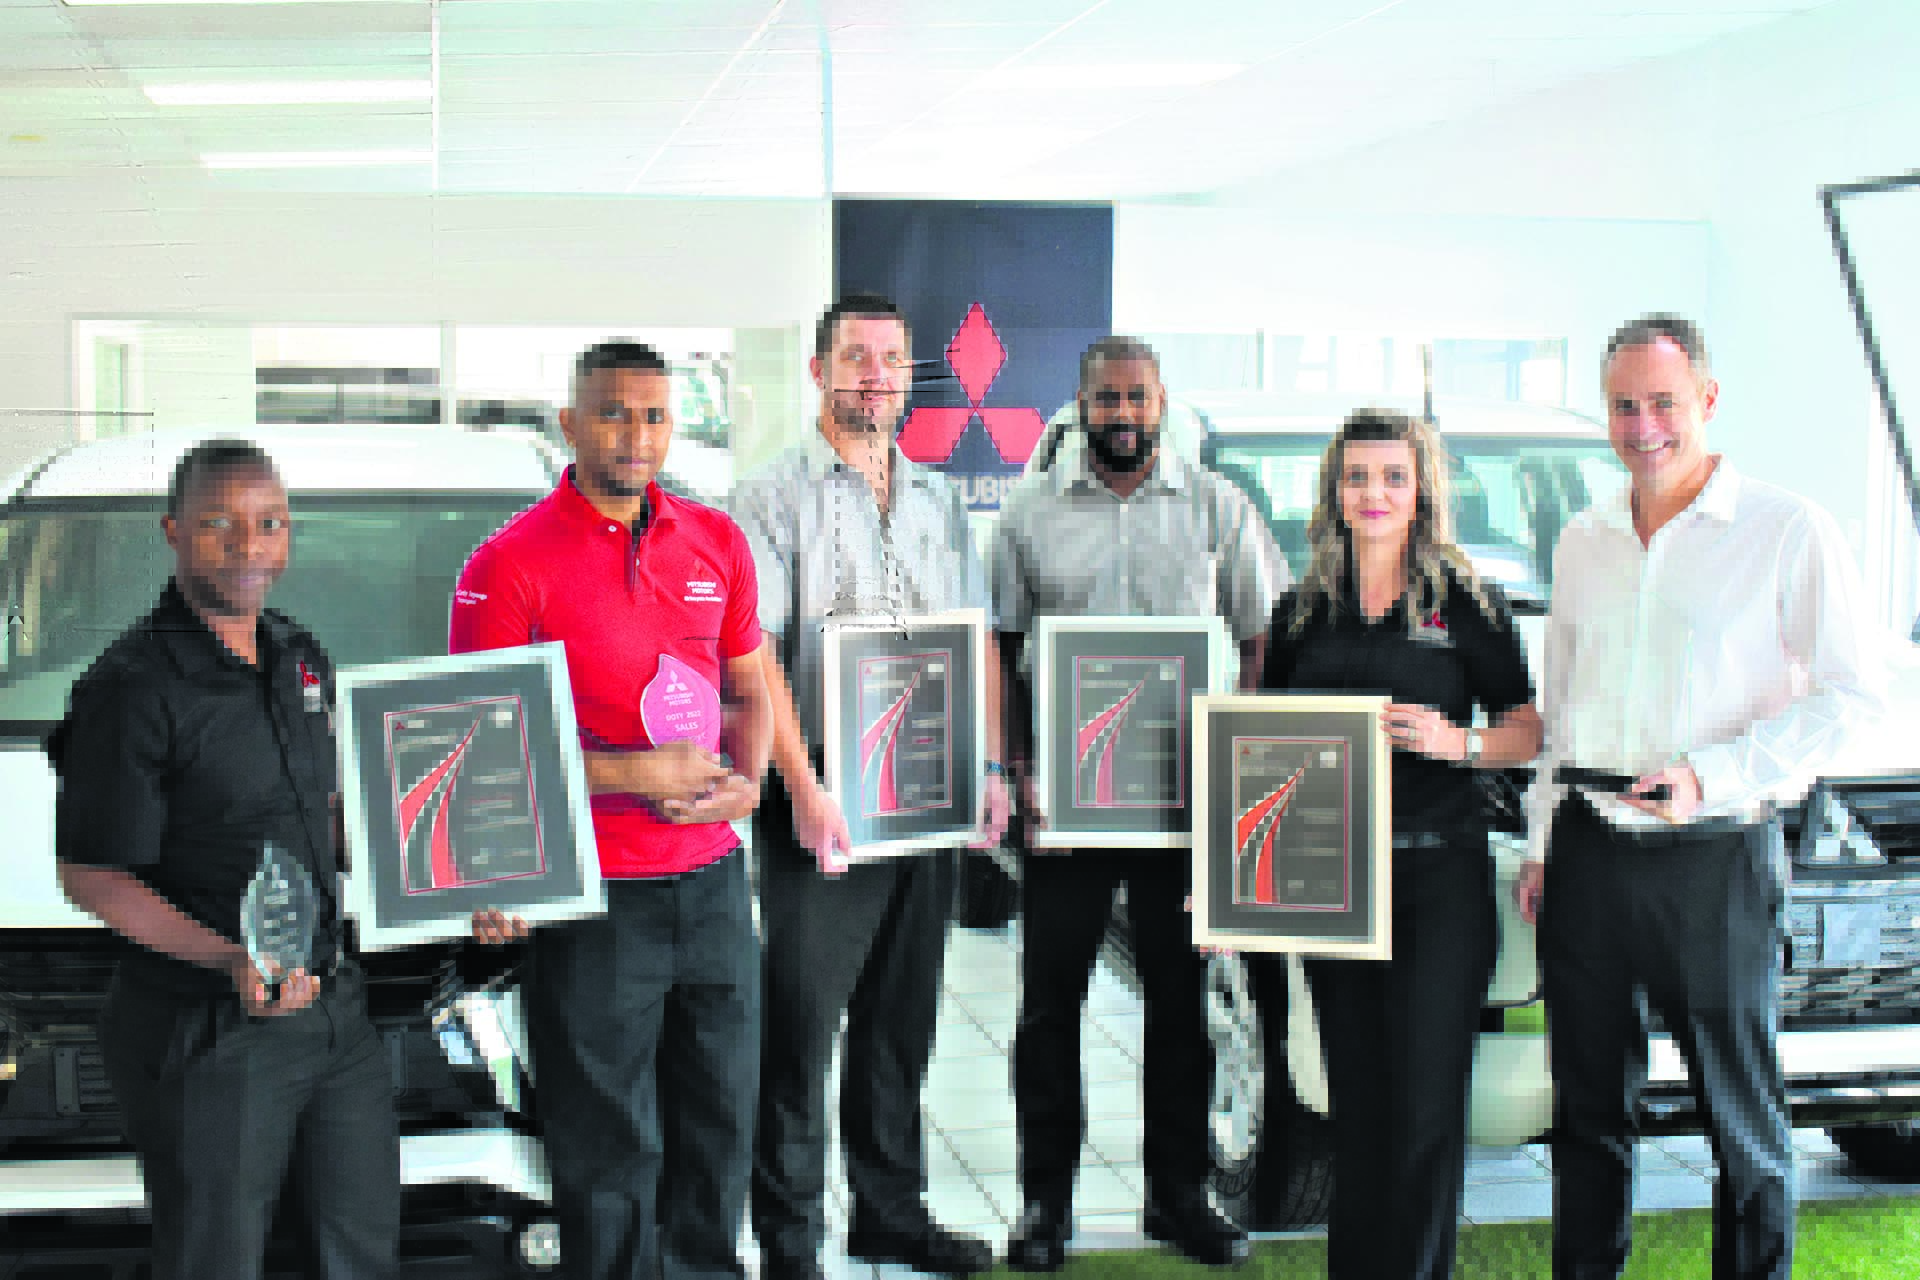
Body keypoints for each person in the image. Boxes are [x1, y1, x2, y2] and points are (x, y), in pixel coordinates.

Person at [1515, 314, 1884, 1280]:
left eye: (1663, 404)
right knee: (1588, 1110)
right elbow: (1562, 705)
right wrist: (1544, 841)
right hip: (1589, 853)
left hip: (1715, 858)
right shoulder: (1584, 539)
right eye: (1623, 407)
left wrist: (1712, 775)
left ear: (1708, 401)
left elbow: (1851, 699)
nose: (1643, 428)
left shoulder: (1786, 529)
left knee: (1739, 1117)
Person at [451, 340, 773, 1279]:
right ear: (570, 424)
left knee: (719, 1124)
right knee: (608, 1148)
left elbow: (750, 687)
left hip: (712, 888)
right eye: (613, 413)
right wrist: (636, 774)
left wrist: (750, 778)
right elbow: (483, 751)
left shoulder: (716, 541)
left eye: (654, 415)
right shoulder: (509, 564)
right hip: (592, 900)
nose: (636, 436)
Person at [46, 440, 401, 1280]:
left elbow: (322, 820)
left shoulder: (298, 654)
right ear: (174, 531)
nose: (249, 547)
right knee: (216, 1262)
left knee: (358, 1254)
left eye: (269, 524)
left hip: (335, 1013)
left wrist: (450, 876)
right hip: (210, 1028)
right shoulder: (131, 688)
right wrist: (230, 959)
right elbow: (92, 876)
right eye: (220, 525)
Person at [728, 292, 1010, 1280]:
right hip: (824, 806)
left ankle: (889, 1212)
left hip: (925, 798)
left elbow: (974, 638)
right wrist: (805, 789)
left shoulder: (937, 500)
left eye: (890, 359)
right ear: (819, 371)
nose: (875, 376)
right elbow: (755, 658)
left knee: (901, 1023)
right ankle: (791, 1241)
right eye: (855, 356)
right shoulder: (769, 498)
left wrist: (988, 767)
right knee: (801, 1032)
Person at [991, 337, 1288, 1272]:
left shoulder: (1217, 507)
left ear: (1162, 403)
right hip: (1066, 810)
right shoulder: (1031, 513)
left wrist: (1239, 765)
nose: (1122, 414)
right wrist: (1019, 769)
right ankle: (1045, 1205)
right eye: (1106, 399)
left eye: (1138, 397)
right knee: (1050, 1009)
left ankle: (1179, 1196)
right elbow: (1002, 649)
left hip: (1182, 804)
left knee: (1180, 1004)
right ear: (1081, 406)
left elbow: (1262, 635)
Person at [1252, 408, 1543, 1280]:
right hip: (1331, 888)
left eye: (1392, 477)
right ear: (1333, 492)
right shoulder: (1301, 611)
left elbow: (1527, 730)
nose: (1373, 494)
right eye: (1357, 477)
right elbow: (1261, 754)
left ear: (1422, 492)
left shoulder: (1467, 605)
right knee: (1359, 1114)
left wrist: (1458, 742)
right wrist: (1234, 878)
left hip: (1437, 883)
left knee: (1423, 1115)